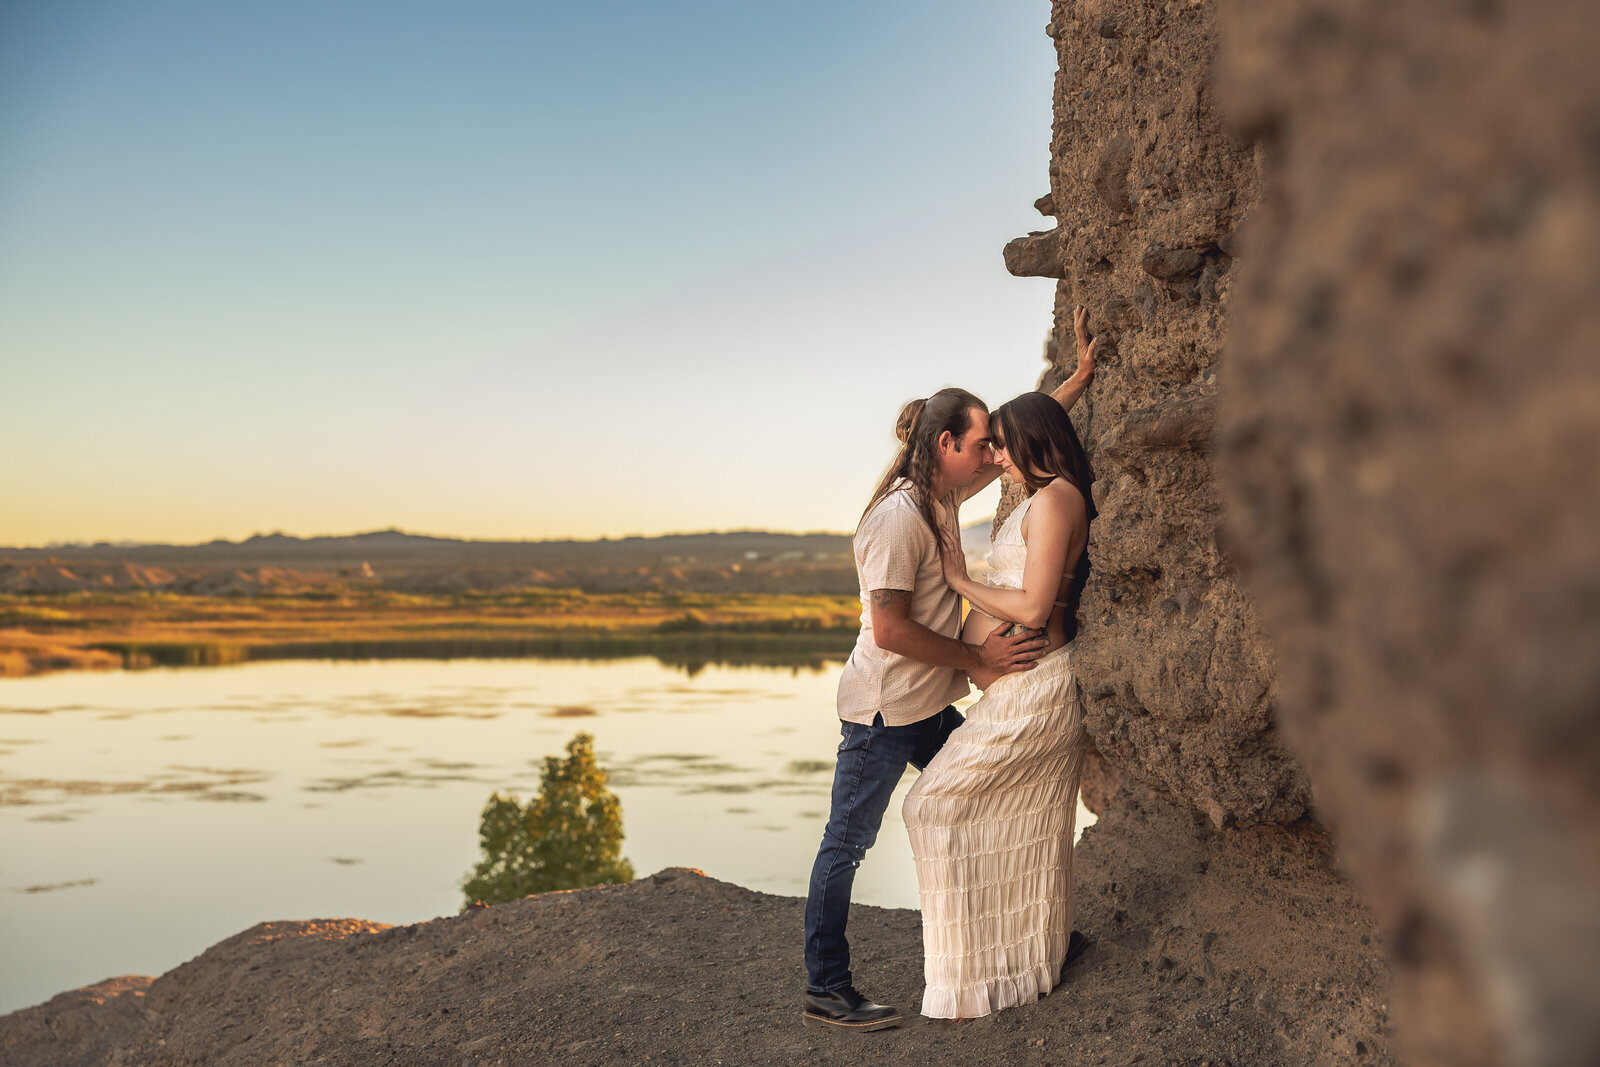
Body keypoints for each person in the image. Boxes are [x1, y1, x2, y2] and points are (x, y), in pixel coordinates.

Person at [801, 312, 1097, 1031]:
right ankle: (826, 986)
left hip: (931, 703)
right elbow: (891, 627)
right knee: (850, 839)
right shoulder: (899, 518)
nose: (994, 454)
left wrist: (1079, 377)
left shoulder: (942, 495)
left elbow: (1032, 442)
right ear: (946, 445)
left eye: (998, 444)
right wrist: (980, 657)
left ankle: (1032, 935)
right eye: (982, 444)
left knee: (1004, 790)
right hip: (885, 711)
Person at [900, 308, 1099, 1021]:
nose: (996, 459)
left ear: (1030, 445)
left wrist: (960, 584)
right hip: (1012, 685)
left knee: (935, 804)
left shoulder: (1055, 503)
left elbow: (1034, 600)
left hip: (1035, 686)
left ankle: (991, 973)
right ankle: (983, 971)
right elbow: (1037, 428)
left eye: (1004, 448)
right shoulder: (1040, 494)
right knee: (966, 813)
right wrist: (1076, 377)